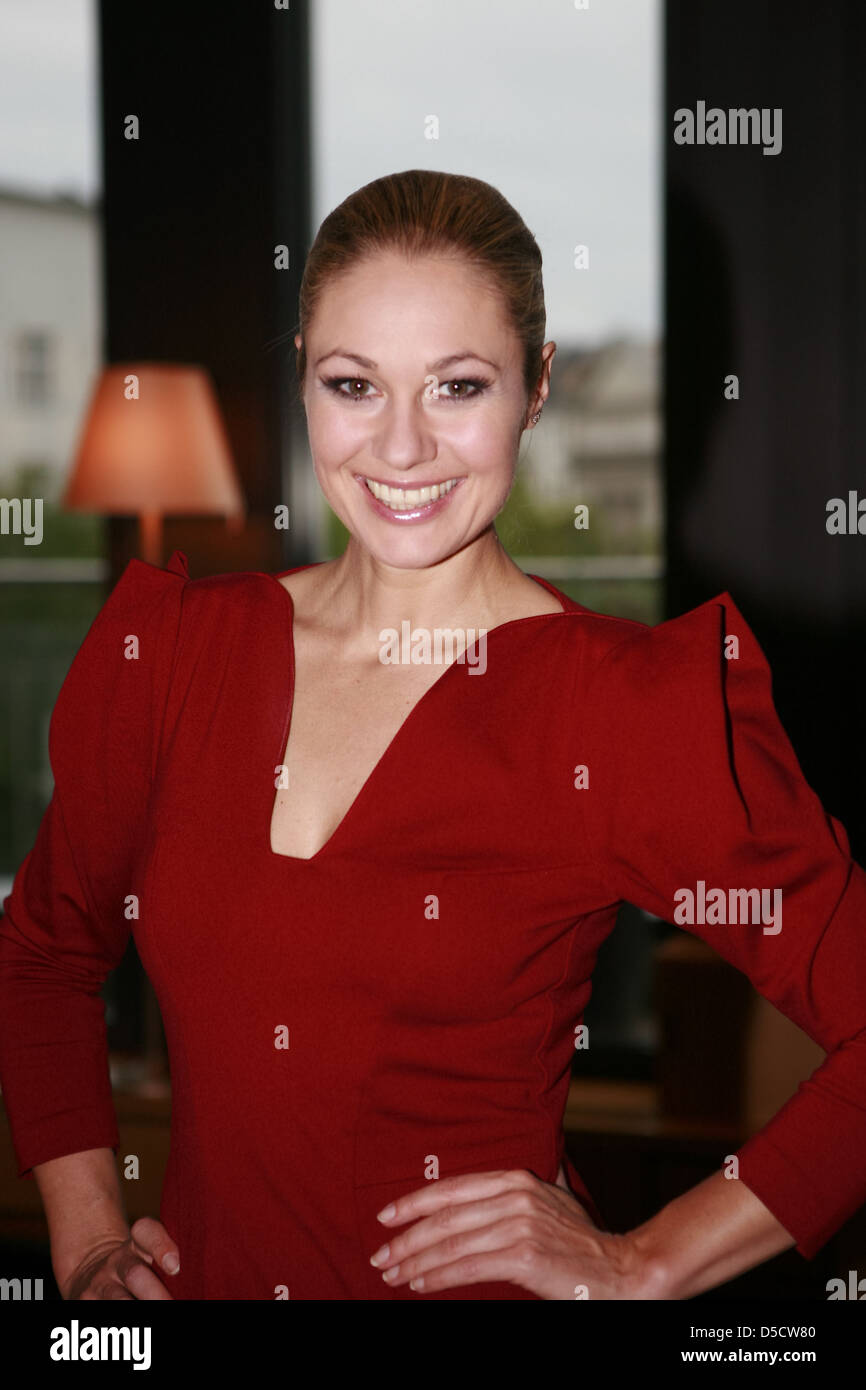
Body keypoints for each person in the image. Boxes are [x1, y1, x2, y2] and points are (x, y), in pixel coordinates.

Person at [1, 169, 865, 1301]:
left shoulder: (618, 704)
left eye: (457, 386)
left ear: (536, 387)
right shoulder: (172, 653)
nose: (401, 448)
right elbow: (47, 950)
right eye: (352, 384)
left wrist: (644, 1261)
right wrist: (85, 1243)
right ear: (303, 374)